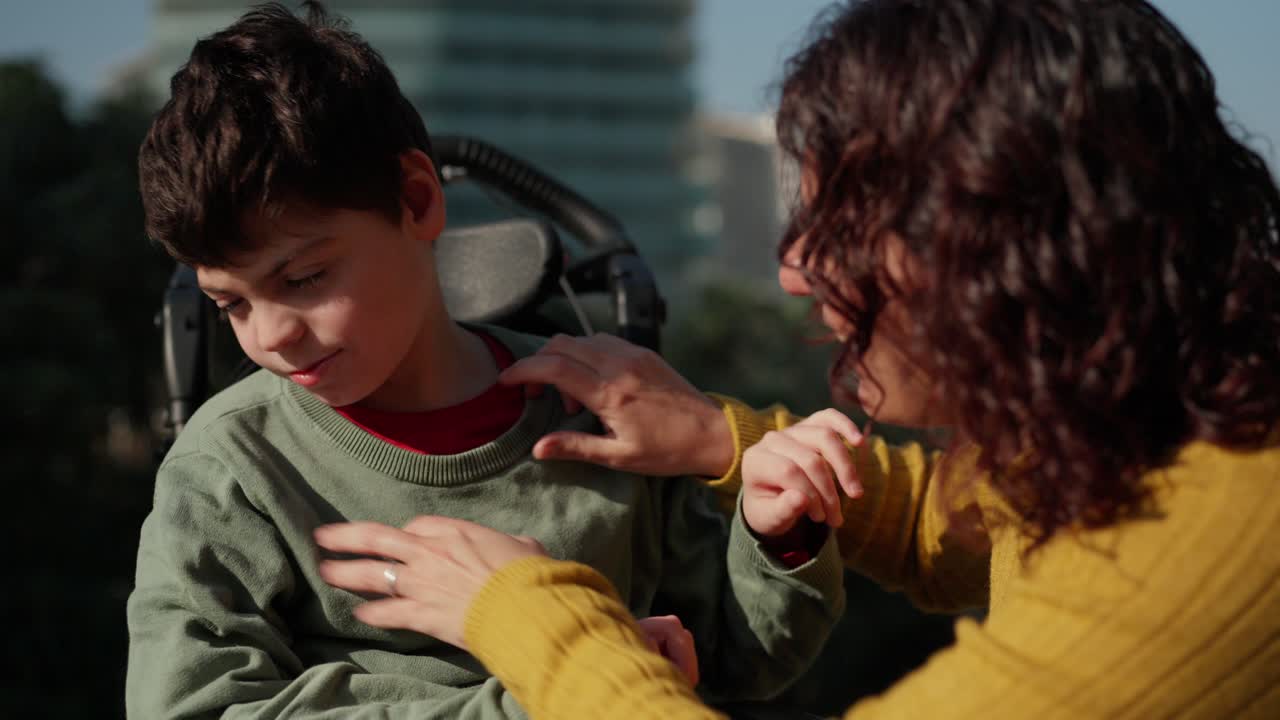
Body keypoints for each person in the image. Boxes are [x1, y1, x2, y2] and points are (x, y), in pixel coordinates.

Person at [313, 0, 1280, 718]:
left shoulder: (1208, 552)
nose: (794, 267)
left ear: (1017, 239)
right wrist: (721, 441)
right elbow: (965, 530)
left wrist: (520, 611)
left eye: (846, 225)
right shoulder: (1154, 428)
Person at [125, 3, 847, 718]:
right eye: (233, 306)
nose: (272, 335)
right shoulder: (231, 469)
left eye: (304, 279)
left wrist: (777, 536)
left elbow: (742, 656)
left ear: (417, 200)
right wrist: (549, 693)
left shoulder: (603, 415)